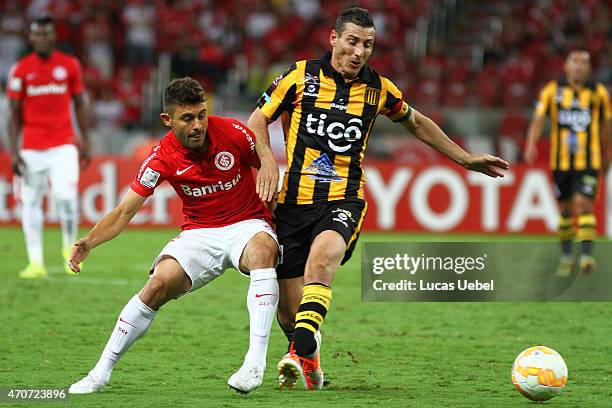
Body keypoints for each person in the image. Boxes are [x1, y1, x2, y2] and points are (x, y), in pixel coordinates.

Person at [247, 7, 509, 390]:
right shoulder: (299, 75)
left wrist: (464, 158)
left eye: (367, 45)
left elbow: (415, 122)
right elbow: (257, 119)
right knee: (289, 313)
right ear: (334, 39)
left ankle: (297, 352)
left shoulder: (379, 90)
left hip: (343, 201)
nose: (359, 51)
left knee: (322, 263)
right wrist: (267, 162)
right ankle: (306, 351)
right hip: (292, 205)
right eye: (352, 41)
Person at [67, 77, 279, 394]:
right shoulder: (160, 157)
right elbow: (124, 212)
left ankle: (254, 363)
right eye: (187, 118)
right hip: (199, 234)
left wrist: (273, 203)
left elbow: (269, 170)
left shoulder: (233, 133)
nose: (198, 125)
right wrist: (89, 242)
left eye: (202, 115)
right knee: (156, 285)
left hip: (247, 224)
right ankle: (100, 373)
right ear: (168, 120)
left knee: (263, 252)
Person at [7, 16, 91, 279]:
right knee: (30, 203)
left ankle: (69, 247)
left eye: (46, 34)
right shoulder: (20, 70)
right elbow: (12, 115)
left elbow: (80, 104)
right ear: (31, 38)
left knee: (66, 197)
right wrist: (13, 151)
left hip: (64, 144)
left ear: (54, 37)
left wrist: (84, 140)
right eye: (37, 34)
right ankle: (35, 263)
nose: (41, 38)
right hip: (31, 148)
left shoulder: (69, 66)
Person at [525, 50, 611, 276]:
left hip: (589, 161)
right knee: (564, 211)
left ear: (589, 68)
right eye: (575, 62)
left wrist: (605, 151)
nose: (579, 66)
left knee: (583, 204)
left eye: (584, 62)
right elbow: (538, 119)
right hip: (560, 163)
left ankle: (586, 257)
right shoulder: (552, 91)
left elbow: (606, 125)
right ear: (566, 66)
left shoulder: (598, 93)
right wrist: (531, 144)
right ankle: (566, 257)